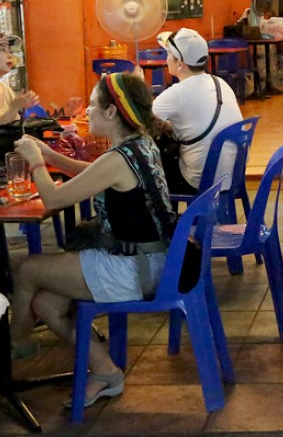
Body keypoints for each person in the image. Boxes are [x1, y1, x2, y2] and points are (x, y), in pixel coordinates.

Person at [10, 73, 175, 407]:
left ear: (112, 113)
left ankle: (16, 347)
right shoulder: (139, 143)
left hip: (134, 269)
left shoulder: (118, 158)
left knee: (27, 269)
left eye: (94, 104)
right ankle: (105, 373)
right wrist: (51, 156)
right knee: (45, 302)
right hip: (153, 260)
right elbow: (92, 171)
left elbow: (54, 200)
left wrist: (36, 160)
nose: (88, 110)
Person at [150, 28, 243, 194]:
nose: (167, 58)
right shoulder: (220, 83)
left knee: (150, 163)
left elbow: (139, 119)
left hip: (202, 180)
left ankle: (165, 218)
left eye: (169, 53)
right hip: (233, 174)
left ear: (180, 63)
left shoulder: (177, 92)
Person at [0, 35, 39, 124]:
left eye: (9, 51)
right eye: (3, 50)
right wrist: (16, 106)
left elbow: (14, 128)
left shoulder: (5, 89)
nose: (10, 56)